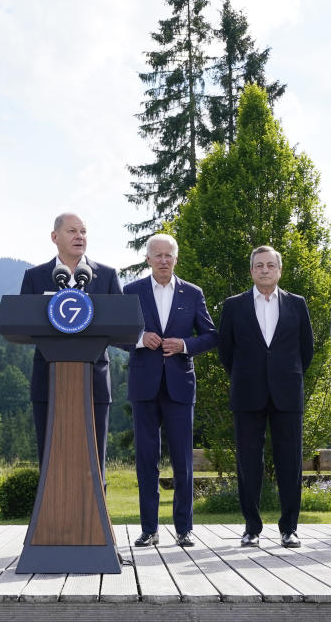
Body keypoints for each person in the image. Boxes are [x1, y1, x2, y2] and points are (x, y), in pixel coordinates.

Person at [124, 234, 217, 548]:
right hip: (144, 386)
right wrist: (139, 338)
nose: (163, 260)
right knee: (146, 460)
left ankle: (184, 529)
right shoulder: (131, 291)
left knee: (182, 462)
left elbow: (210, 335)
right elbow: (116, 333)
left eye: (169, 255)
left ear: (176, 259)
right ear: (147, 258)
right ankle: (149, 529)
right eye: (157, 255)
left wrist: (185, 345)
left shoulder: (192, 293)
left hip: (179, 386)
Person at [218, 246, 314, 549]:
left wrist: (285, 373)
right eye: (258, 265)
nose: (264, 270)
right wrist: (248, 374)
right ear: (251, 271)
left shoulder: (297, 305)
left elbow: (306, 349)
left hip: (287, 392)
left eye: (270, 265)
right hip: (248, 392)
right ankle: (251, 527)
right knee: (248, 463)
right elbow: (226, 352)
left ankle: (289, 528)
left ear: (279, 270)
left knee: (291, 462)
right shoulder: (233, 306)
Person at [19, 212, 122, 479]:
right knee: (51, 455)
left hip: (94, 380)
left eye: (84, 231)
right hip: (48, 380)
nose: (80, 236)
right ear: (54, 237)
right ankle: (49, 516)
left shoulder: (107, 276)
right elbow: (22, 322)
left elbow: (123, 326)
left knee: (94, 458)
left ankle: (95, 516)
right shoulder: (35, 276)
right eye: (72, 231)